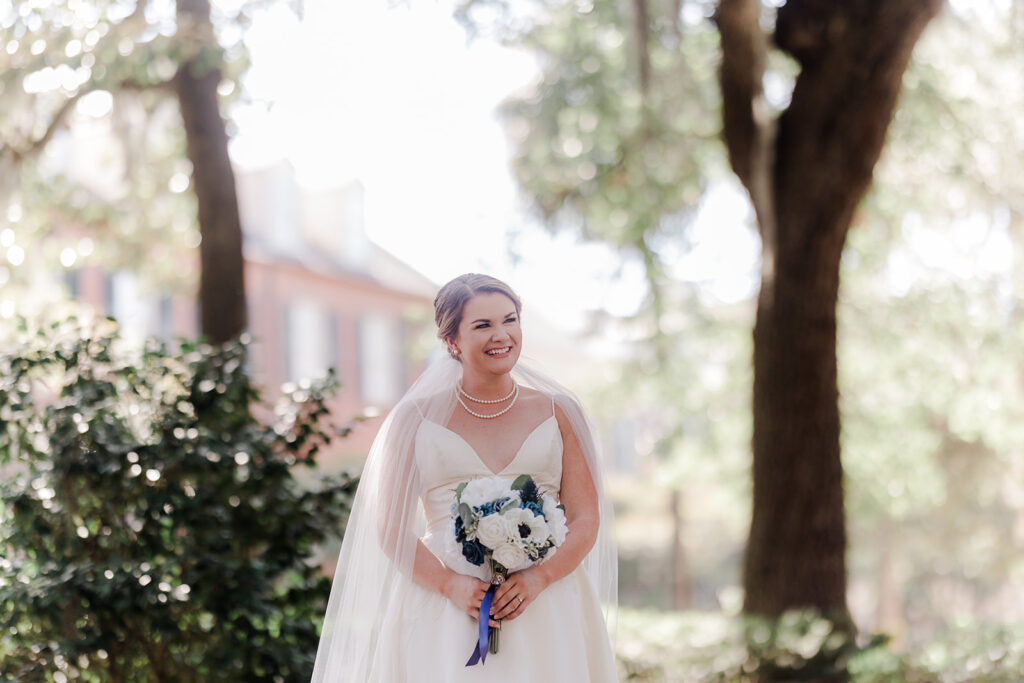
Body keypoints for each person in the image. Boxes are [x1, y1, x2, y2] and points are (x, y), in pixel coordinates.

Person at [312, 273, 617, 681]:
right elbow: (389, 528)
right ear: (452, 341)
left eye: (510, 320)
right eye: (483, 325)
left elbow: (585, 518)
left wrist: (540, 577)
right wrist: (449, 584)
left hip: (546, 603)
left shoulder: (559, 412)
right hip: (446, 609)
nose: (501, 335)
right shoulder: (413, 419)